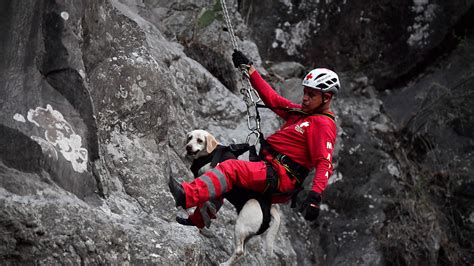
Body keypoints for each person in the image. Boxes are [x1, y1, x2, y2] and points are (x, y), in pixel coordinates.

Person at [169, 50, 339, 222]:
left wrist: (315, 197)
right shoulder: (301, 114)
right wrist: (249, 69)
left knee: (230, 169)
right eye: (305, 92)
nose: (305, 98)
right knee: (223, 162)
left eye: (312, 95)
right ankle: (200, 219)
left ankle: (185, 196)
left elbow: (324, 162)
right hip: (269, 168)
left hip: (279, 176)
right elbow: (274, 100)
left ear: (327, 97)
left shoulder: (323, 124)